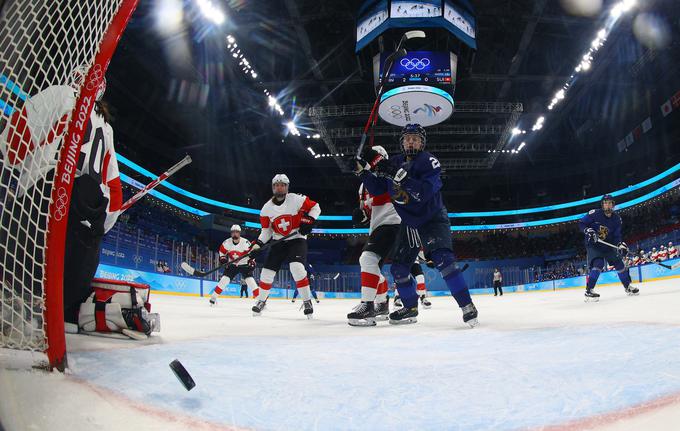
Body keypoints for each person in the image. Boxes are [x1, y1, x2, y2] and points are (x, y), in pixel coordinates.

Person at [356, 123, 478, 327]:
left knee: (443, 260)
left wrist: (396, 174)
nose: (411, 141)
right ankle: (410, 308)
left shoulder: (429, 162)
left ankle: (467, 306)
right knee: (399, 270)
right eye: (407, 138)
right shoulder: (394, 161)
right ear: (402, 142)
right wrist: (363, 173)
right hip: (410, 222)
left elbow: (423, 193)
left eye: (415, 138)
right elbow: (378, 189)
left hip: (432, 218)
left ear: (422, 143)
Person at [248, 174, 320, 318]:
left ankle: (307, 301)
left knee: (297, 268)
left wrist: (310, 220)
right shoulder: (266, 208)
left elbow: (315, 207)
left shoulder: (296, 199)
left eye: (283, 185)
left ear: (287, 187)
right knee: (266, 273)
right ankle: (261, 301)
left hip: (297, 239)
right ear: (273, 187)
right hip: (278, 241)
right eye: (277, 185)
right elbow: (266, 231)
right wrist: (258, 244)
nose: (279, 187)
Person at [347, 145, 402, 326]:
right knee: (371, 265)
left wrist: (366, 170)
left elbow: (381, 189)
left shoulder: (389, 172)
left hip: (393, 221)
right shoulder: (363, 186)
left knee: (367, 259)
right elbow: (367, 210)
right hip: (378, 225)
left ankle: (368, 305)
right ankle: (381, 305)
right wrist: (361, 217)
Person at [578, 194, 639, 301]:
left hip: (608, 245)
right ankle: (589, 291)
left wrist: (620, 244)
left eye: (610, 203)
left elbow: (617, 236)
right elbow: (582, 223)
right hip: (594, 244)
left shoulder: (617, 219)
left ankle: (627, 287)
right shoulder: (594, 214)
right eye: (605, 203)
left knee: (620, 264)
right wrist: (588, 230)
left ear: (613, 205)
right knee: (598, 264)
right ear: (602, 205)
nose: (608, 205)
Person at [209, 225, 258, 305]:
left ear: (239, 233)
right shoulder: (226, 243)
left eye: (237, 232)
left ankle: (260, 301)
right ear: (231, 233)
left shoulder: (246, 243)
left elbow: (252, 253)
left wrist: (252, 261)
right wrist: (223, 259)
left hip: (244, 264)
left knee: (250, 281)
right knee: (224, 280)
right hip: (232, 264)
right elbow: (222, 252)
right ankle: (213, 298)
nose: (235, 234)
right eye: (233, 232)